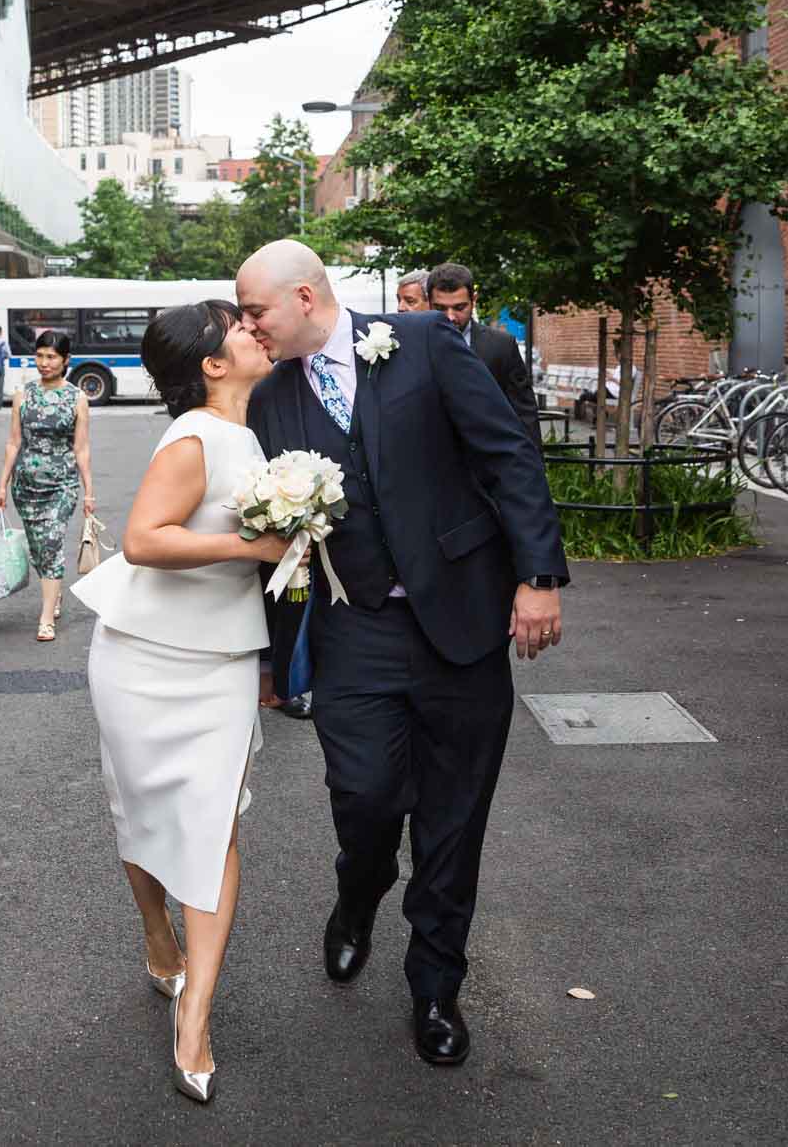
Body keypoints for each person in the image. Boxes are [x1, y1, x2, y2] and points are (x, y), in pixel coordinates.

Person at [235, 239, 568, 1067]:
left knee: (454, 818)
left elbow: (507, 452)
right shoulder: (272, 397)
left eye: (255, 312)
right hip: (358, 630)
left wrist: (539, 575)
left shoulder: (419, 342)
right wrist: (271, 657)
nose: (248, 328)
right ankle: (360, 890)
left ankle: (435, 985)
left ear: (305, 297)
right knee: (367, 794)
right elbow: (277, 529)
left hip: (460, 619)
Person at [68, 300, 288, 1103]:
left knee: (214, 819)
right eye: (236, 327)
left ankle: (195, 1008)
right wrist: (254, 544)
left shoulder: (249, 431)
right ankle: (159, 936)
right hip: (142, 657)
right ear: (211, 364)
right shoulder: (195, 435)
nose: (252, 331)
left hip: (220, 661)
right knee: (142, 810)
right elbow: (144, 539)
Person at [0, 331, 95, 641]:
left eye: (51, 357)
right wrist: (2, 484)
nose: (44, 362)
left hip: (62, 485)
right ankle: (55, 591)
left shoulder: (77, 398)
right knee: (38, 550)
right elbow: (13, 442)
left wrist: (89, 492)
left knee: (50, 543)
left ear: (66, 360)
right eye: (40, 356)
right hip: (25, 486)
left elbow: (81, 449)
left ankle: (46, 616)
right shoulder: (22, 395)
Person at [425, 262, 545, 440]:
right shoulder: (414, 343)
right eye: (440, 308)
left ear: (474, 300)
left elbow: (524, 415)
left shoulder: (501, 346)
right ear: (428, 302)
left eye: (459, 308)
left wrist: (532, 465)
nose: (450, 317)